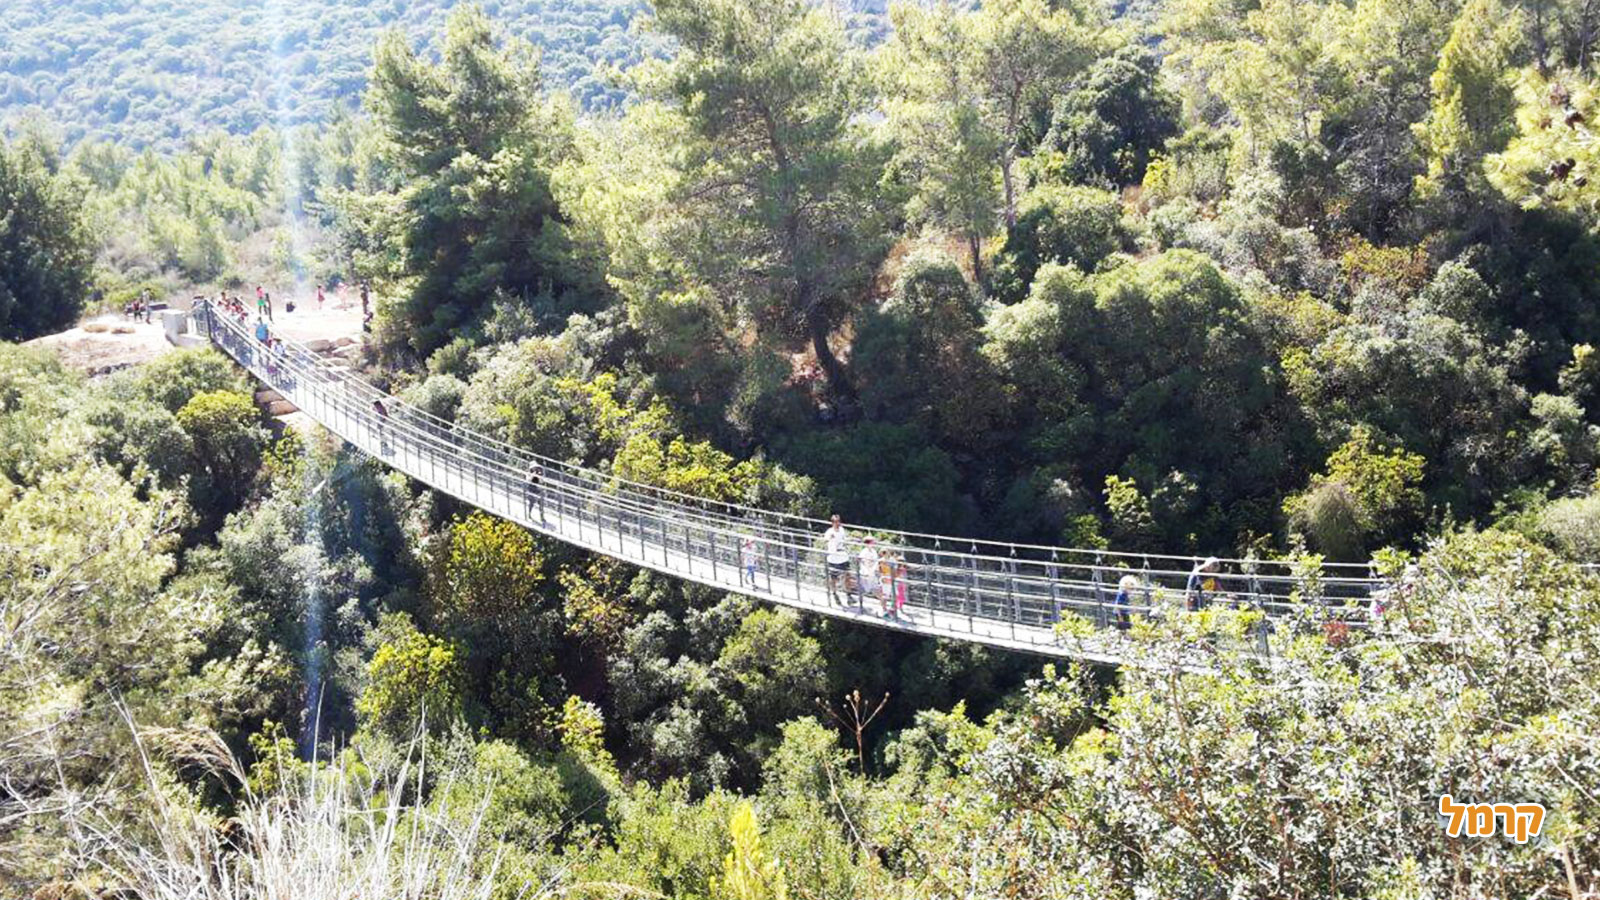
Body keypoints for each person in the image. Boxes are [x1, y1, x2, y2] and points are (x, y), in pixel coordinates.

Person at [824, 515, 850, 605]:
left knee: (847, 575)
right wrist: (830, 539)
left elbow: (844, 539)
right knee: (833, 578)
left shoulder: (842, 530)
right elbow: (826, 540)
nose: (837, 523)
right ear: (832, 523)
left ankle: (848, 595)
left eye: (838, 521)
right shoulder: (829, 532)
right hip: (833, 559)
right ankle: (834, 593)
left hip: (843, 557)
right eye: (835, 522)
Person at [855, 537, 880, 608]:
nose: (873, 544)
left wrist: (875, 569)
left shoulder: (874, 551)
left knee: (875, 588)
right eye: (872, 542)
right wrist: (865, 571)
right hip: (865, 573)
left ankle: (883, 604)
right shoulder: (864, 552)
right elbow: (861, 562)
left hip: (872, 573)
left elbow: (876, 561)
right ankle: (860, 604)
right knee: (863, 589)